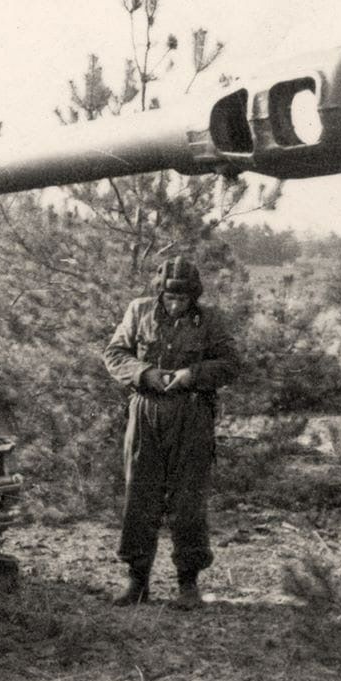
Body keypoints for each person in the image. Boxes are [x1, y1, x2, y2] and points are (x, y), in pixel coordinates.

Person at [103, 255, 240, 610]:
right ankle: (137, 582)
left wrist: (192, 374)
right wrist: (144, 373)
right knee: (140, 496)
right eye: (170, 297)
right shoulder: (139, 311)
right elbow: (114, 354)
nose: (176, 304)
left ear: (194, 296)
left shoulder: (209, 320)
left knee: (188, 501)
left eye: (183, 298)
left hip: (191, 414)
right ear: (160, 293)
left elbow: (230, 363)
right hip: (146, 412)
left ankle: (188, 584)